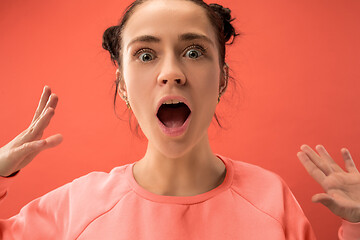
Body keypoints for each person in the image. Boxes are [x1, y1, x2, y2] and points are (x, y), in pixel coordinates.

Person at [0, 0, 359, 239]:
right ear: (122, 85)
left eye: (193, 51)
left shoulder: (271, 200)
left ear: (221, 77)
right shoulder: (76, 208)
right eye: (145, 54)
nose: (171, 73)